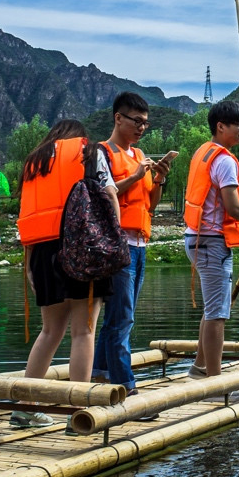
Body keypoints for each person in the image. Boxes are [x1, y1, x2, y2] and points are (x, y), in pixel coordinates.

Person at [13, 118, 117, 428]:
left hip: (43, 252)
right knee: (83, 331)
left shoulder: (35, 161)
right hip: (82, 246)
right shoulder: (89, 151)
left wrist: (30, 264)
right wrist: (113, 241)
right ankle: (78, 412)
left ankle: (25, 408)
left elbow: (28, 213)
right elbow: (109, 194)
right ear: (80, 136)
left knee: (49, 331)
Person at [92, 92, 173, 410]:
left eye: (145, 123)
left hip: (140, 242)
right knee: (122, 318)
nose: (142, 127)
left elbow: (149, 204)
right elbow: (103, 195)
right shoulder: (102, 152)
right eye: (136, 121)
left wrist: (159, 180)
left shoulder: (139, 154)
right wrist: (136, 175)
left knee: (119, 317)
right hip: (116, 243)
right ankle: (126, 389)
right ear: (118, 118)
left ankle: (98, 378)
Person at [183, 101, 239, 380]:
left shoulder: (207, 153)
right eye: (238, 125)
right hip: (212, 243)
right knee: (218, 315)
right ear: (221, 126)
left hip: (198, 239)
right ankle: (214, 379)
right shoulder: (221, 159)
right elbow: (233, 207)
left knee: (212, 309)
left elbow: (235, 173)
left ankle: (200, 367)